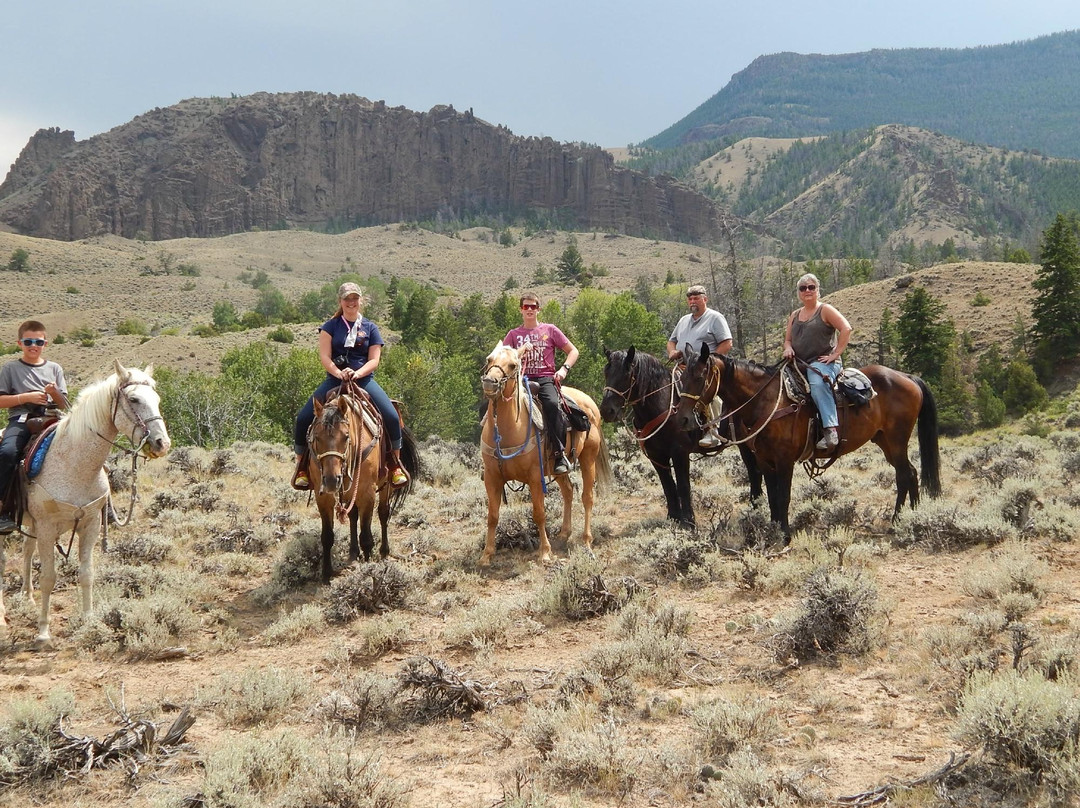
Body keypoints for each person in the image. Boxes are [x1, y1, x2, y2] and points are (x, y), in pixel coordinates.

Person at [293, 283, 408, 489]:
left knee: (391, 415)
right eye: (347, 299)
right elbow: (325, 357)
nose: (351, 302)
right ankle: (301, 469)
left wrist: (357, 373)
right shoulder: (330, 327)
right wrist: (338, 373)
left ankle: (395, 465)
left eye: (355, 298)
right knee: (303, 418)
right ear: (340, 301)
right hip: (334, 379)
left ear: (360, 301)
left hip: (363, 380)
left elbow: (374, 360)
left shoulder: (370, 328)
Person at [0, 320, 69, 534]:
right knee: (8, 452)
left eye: (38, 341)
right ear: (19, 343)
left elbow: (64, 404)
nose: (33, 345)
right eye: (28, 341)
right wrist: (26, 397)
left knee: (87, 443)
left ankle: (100, 503)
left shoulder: (54, 368)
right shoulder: (10, 368)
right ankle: (3, 510)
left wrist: (55, 393)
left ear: (45, 343)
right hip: (21, 419)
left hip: (53, 417)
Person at [502, 292, 580, 475]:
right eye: (526, 307)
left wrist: (564, 369)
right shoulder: (514, 334)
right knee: (494, 406)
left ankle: (559, 454)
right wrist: (521, 349)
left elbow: (573, 351)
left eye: (533, 306)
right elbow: (504, 357)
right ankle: (493, 456)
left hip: (545, 378)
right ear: (521, 310)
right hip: (521, 379)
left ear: (538, 309)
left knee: (552, 405)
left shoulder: (550, 330)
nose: (529, 310)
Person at [782, 273, 853, 451]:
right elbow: (788, 340)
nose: (807, 290)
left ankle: (830, 429)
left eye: (811, 287)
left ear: (818, 290)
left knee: (817, 382)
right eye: (803, 288)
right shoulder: (795, 315)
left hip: (824, 362)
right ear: (798, 293)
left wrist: (836, 354)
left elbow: (846, 328)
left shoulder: (825, 310)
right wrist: (788, 348)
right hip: (798, 363)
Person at [667, 284, 733, 449]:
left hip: (708, 369)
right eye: (690, 298)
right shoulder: (683, 320)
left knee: (709, 393)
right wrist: (672, 351)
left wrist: (710, 362)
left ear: (705, 299)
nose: (692, 301)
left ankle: (713, 430)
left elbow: (727, 343)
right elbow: (671, 341)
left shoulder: (715, 318)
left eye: (696, 298)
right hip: (684, 368)